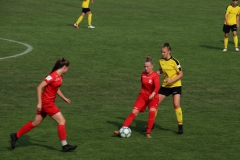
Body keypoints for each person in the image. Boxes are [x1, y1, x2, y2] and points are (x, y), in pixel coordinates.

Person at [10, 58, 77, 152]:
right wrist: (40, 103)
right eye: (68, 68)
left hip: (48, 103)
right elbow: (39, 87)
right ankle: (64, 145)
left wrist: (64, 98)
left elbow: (55, 88)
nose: (68, 70)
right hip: (47, 103)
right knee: (62, 121)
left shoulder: (59, 76)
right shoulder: (52, 76)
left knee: (36, 122)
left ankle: (15, 135)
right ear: (64, 67)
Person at [114, 56, 160, 138]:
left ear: (152, 66)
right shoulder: (142, 74)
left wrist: (153, 94)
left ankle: (148, 132)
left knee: (152, 112)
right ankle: (122, 129)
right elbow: (143, 86)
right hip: (143, 96)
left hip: (153, 97)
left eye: (148, 66)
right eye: (145, 66)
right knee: (134, 112)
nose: (146, 68)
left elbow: (157, 87)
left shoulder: (155, 76)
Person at [152, 43, 184, 134]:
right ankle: (151, 124)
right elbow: (162, 69)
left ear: (169, 51)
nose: (162, 54)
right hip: (166, 86)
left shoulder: (175, 61)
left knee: (176, 104)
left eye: (164, 52)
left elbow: (181, 74)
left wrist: (172, 80)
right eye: (161, 52)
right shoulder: (161, 61)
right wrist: (159, 72)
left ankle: (180, 125)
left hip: (176, 85)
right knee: (155, 103)